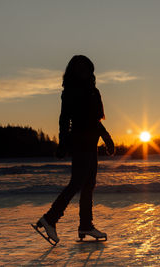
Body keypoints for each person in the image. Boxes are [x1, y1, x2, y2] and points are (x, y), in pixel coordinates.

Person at [33, 55, 115, 245]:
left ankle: (86, 225)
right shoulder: (70, 91)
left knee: (88, 184)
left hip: (92, 144)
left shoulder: (94, 91)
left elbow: (96, 121)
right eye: (79, 69)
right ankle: (50, 219)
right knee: (77, 183)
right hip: (80, 142)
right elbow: (64, 119)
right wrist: (63, 143)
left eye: (86, 68)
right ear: (73, 71)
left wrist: (107, 137)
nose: (84, 72)